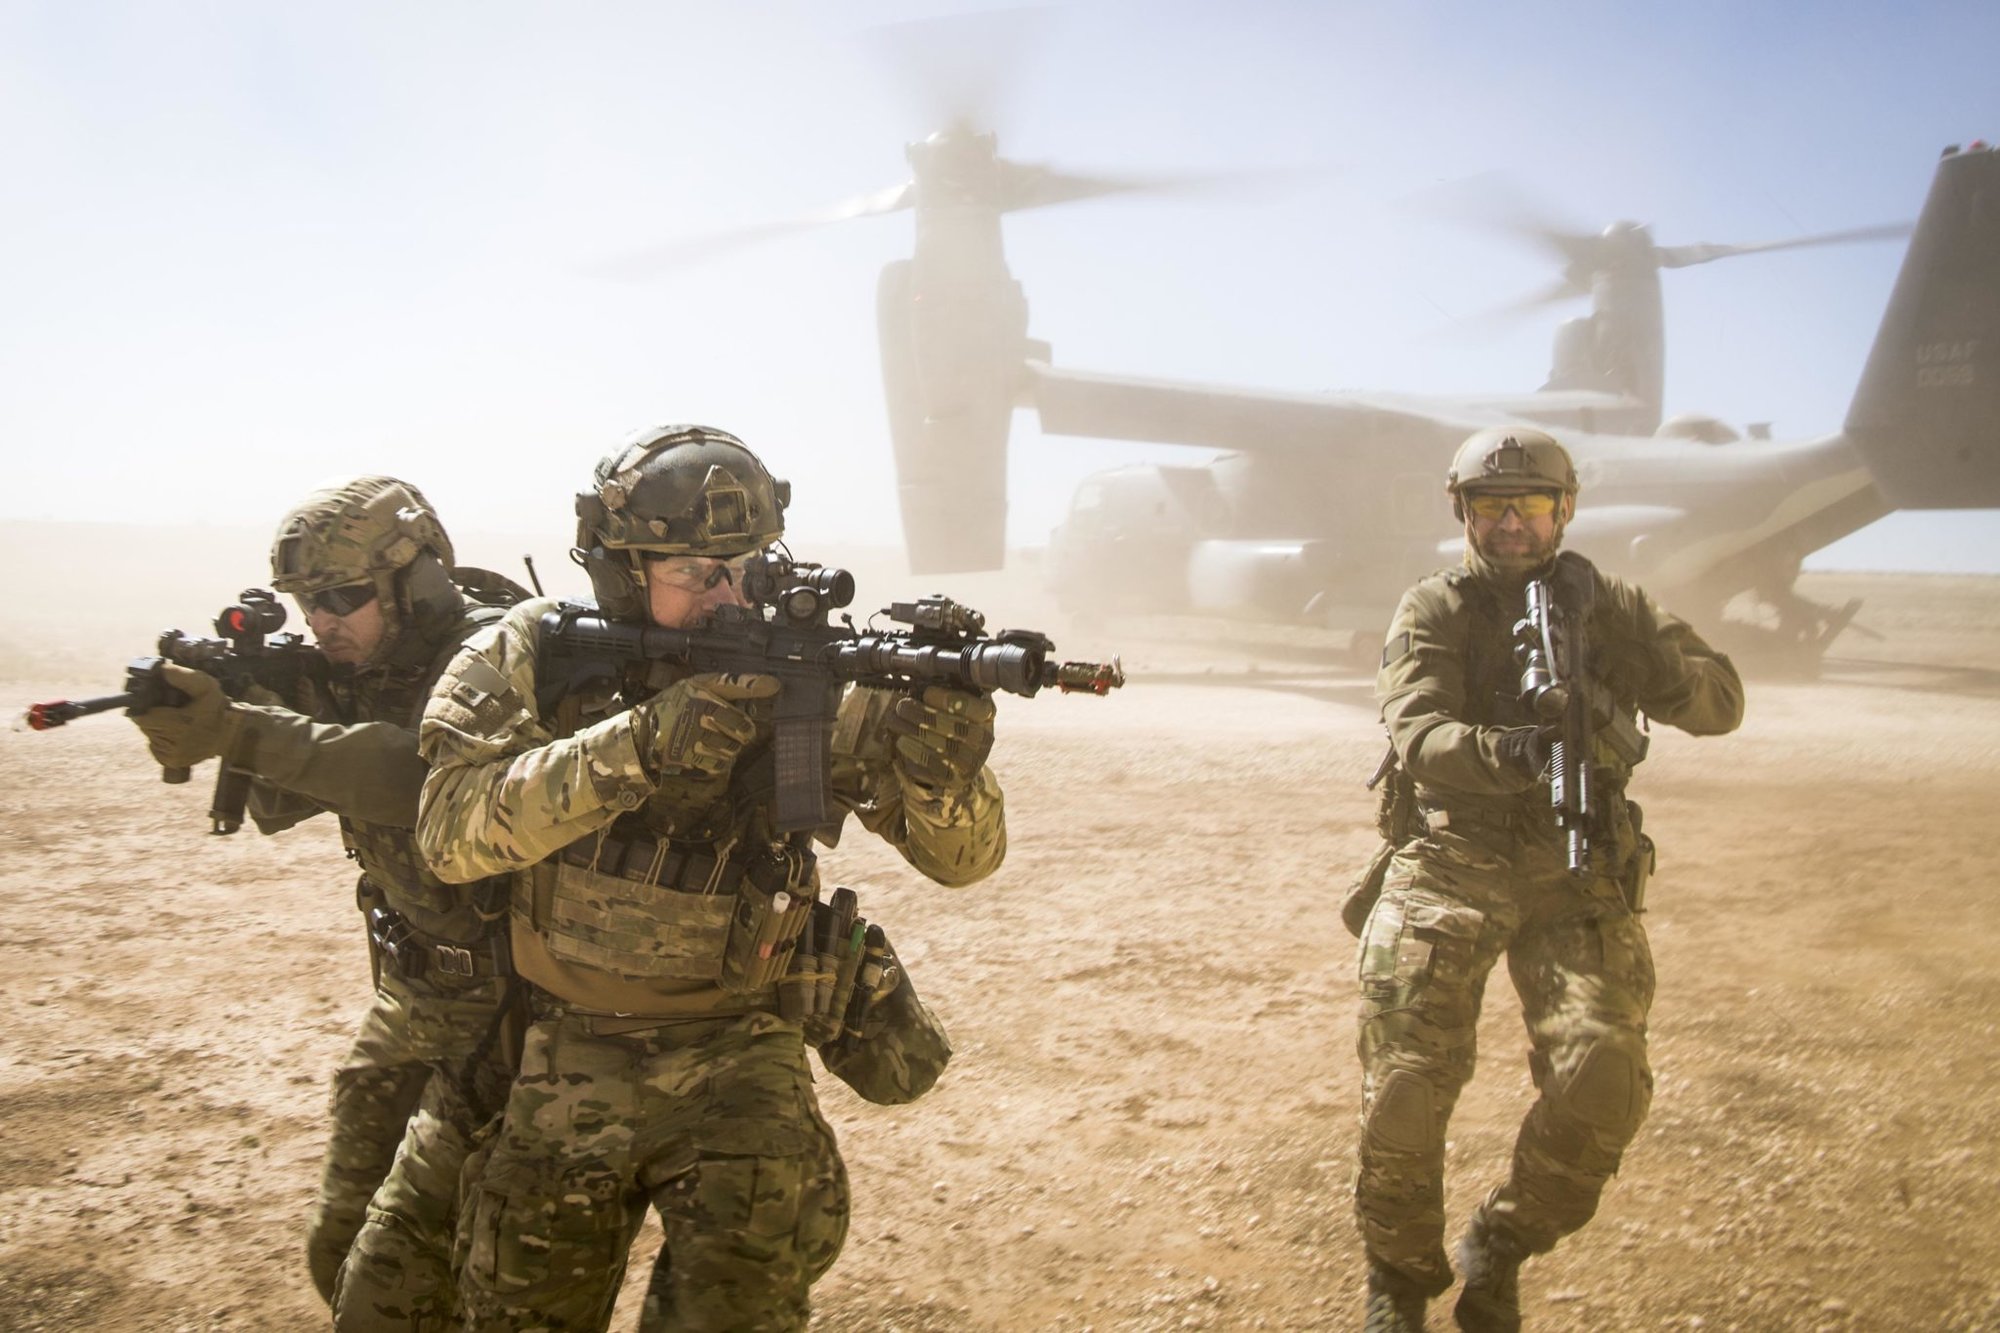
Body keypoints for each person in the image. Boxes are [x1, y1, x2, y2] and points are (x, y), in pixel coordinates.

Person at [413, 424, 1005, 1331]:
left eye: (747, 567)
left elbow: (965, 861)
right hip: (567, 1049)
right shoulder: (531, 650)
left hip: (743, 1051)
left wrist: (942, 773)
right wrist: (639, 745)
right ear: (620, 571)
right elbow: (450, 832)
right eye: (696, 573)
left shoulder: (810, 671)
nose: (730, 597)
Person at [1349, 427, 1744, 1332]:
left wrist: (1662, 674)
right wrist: (1512, 750)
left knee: (1605, 1080)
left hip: (1579, 873)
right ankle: (1402, 1280)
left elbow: (1724, 699)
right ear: (1464, 514)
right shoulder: (1434, 608)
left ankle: (1504, 1239)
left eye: (1531, 505)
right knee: (1406, 1087)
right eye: (1493, 506)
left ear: (1564, 510)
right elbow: (1421, 736)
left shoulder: (1611, 603)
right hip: (1453, 858)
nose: (1513, 523)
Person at [128, 476, 521, 1306]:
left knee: (470, 1278)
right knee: (340, 1249)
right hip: (416, 996)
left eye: (344, 594)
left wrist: (246, 727)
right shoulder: (357, 667)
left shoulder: (498, 655)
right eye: (309, 603)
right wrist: (238, 704)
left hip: (518, 1014)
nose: (325, 620)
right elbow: (283, 801)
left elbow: (415, 777)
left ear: (413, 580)